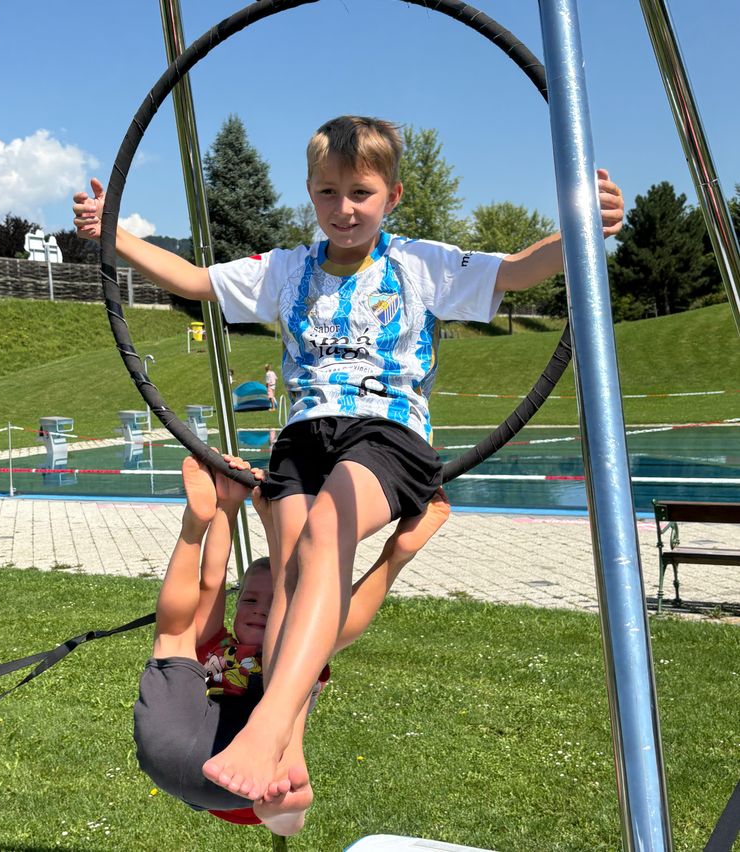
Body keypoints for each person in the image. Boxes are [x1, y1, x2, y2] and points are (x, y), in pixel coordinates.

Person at [74, 114, 624, 800]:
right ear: (311, 192)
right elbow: (193, 280)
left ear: (392, 195)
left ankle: (269, 724)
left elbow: (516, 271)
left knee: (327, 532)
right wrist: (114, 231)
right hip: (302, 436)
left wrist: (581, 228)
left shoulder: (420, 264)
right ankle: (290, 755)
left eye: (361, 192)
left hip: (386, 432)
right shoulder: (287, 270)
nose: (344, 209)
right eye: (328, 193)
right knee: (291, 579)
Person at [134, 451, 450, 835]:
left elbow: (275, 587)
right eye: (250, 600)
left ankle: (193, 527)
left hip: (232, 775)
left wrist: (245, 513)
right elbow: (216, 582)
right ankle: (198, 520)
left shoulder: (290, 648)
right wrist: (226, 510)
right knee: (309, 627)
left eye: (268, 604)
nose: (260, 610)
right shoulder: (230, 646)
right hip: (201, 752)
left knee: (178, 636)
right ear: (237, 605)